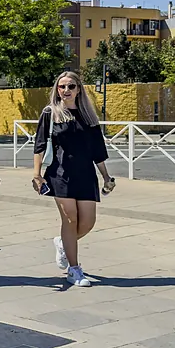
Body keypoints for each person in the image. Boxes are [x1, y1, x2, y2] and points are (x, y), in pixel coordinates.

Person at [31, 71, 115, 287]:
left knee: (88, 222)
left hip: (86, 175)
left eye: (70, 86)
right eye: (62, 87)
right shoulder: (50, 113)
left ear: (79, 89)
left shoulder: (88, 115)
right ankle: (74, 269)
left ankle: (63, 243)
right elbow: (40, 146)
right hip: (60, 174)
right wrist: (36, 174)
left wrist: (106, 176)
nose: (66, 91)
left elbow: (98, 150)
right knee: (70, 220)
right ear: (56, 90)